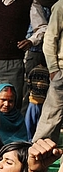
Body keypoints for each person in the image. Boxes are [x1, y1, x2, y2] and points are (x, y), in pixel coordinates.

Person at [32, 0, 63, 143]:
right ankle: (35, 160)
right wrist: (54, 69)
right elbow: (50, 39)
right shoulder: (61, 6)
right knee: (50, 119)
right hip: (61, 72)